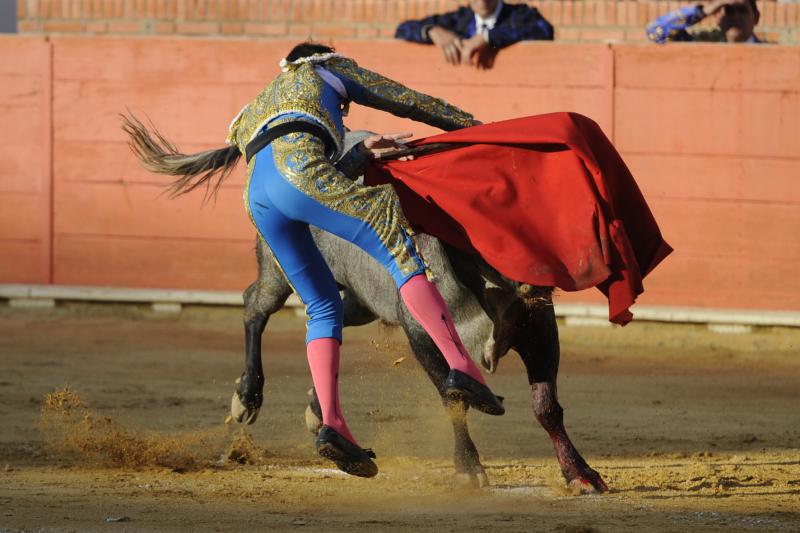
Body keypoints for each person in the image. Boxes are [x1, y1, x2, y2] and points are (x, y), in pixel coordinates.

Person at [221, 42, 505, 477]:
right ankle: (461, 366)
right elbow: (409, 101)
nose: (347, 110)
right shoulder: (329, 68)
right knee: (400, 248)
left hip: (259, 200)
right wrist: (478, 129)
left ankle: (333, 425)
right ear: (324, 58)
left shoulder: (264, 100)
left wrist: (360, 154)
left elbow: (293, 168)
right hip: (299, 172)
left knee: (322, 307)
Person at [395, 0, 553, 68]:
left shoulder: (520, 15)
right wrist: (431, 30)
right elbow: (402, 29)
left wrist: (489, 36)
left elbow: (544, 30)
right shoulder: (460, 19)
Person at [646, 0, 762, 44]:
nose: (735, 16)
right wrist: (704, 11)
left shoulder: (767, 52)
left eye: (742, 10)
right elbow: (655, 31)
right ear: (717, 18)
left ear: (756, 17)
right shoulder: (703, 44)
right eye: (728, 10)